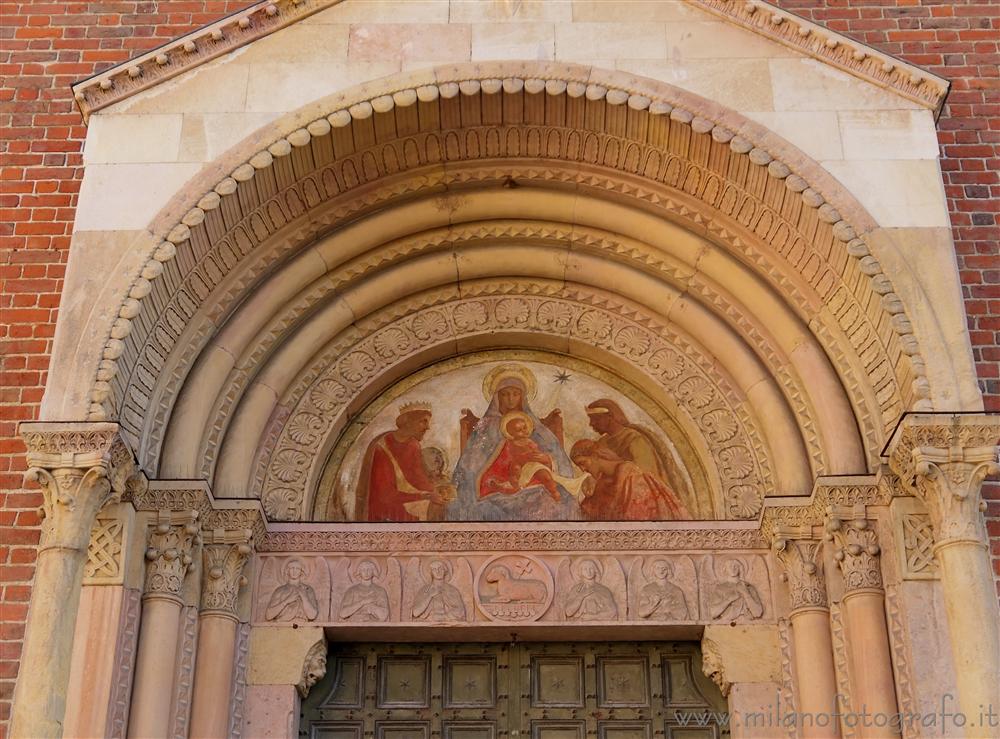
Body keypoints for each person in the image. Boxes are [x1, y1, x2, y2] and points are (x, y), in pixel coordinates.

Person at [449, 364, 580, 521]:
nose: (511, 399)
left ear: (522, 397)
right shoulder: (487, 425)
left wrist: (545, 459)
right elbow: (472, 461)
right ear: (497, 397)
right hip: (497, 481)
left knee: (555, 500)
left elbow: (555, 454)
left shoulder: (533, 425)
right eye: (505, 394)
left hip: (535, 479)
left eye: (516, 394)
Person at [584, 399, 702, 518]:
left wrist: (617, 460)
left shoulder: (633, 439)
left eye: (595, 419)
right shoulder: (602, 442)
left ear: (609, 416)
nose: (591, 424)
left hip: (632, 502)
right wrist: (590, 479)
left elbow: (646, 474)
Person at [354, 403, 451, 522]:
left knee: (446, 504)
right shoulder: (382, 447)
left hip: (406, 502)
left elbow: (418, 479)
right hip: (387, 512)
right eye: (423, 421)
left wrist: (438, 490)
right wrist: (426, 495)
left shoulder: (413, 445)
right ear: (408, 422)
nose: (428, 427)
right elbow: (385, 495)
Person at [570, 439, 690, 521]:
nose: (583, 469)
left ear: (595, 456)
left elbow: (637, 518)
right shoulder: (602, 483)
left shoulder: (633, 476)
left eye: (583, 463)